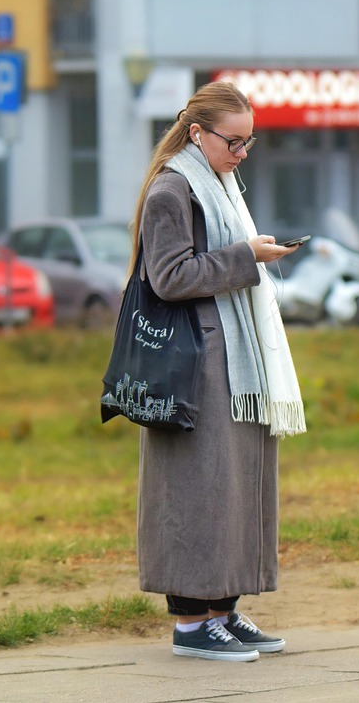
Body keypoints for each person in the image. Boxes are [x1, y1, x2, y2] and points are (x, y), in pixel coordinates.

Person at [129, 79, 307, 662]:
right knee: (195, 491)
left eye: (249, 141)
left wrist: (249, 255)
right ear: (196, 132)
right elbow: (170, 277)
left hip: (232, 359)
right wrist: (246, 257)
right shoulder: (171, 190)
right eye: (233, 141)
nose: (242, 153)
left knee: (232, 487)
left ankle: (222, 612)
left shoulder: (219, 183)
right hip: (192, 367)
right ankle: (191, 624)